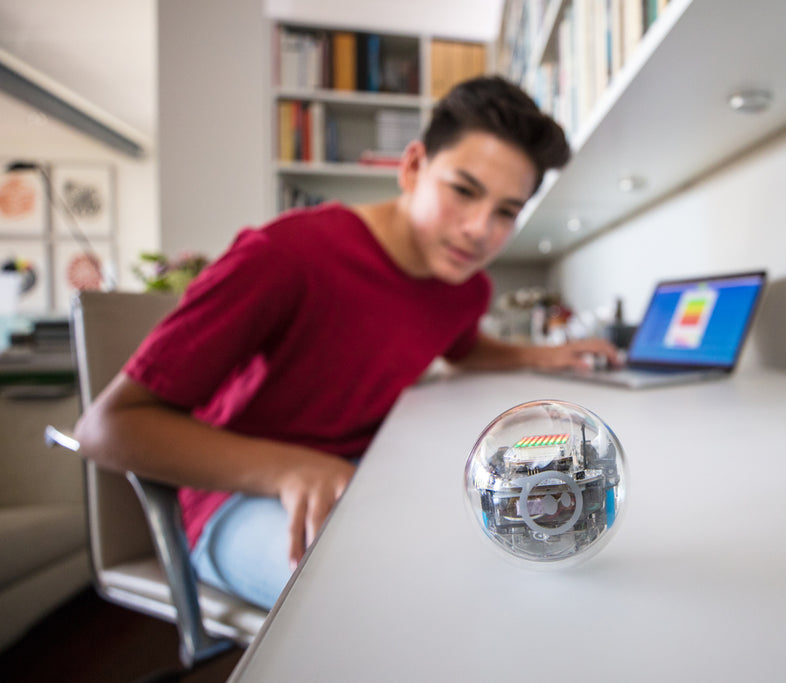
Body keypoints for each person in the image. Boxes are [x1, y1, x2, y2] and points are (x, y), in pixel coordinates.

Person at [74, 76, 620, 610]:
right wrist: (291, 468)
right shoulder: (285, 254)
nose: (481, 229)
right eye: (463, 191)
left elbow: (461, 347)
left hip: (359, 473)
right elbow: (108, 427)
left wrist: (541, 355)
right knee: (386, 597)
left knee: (513, 550)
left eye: (506, 211)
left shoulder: (464, 287)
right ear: (411, 168)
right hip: (238, 492)